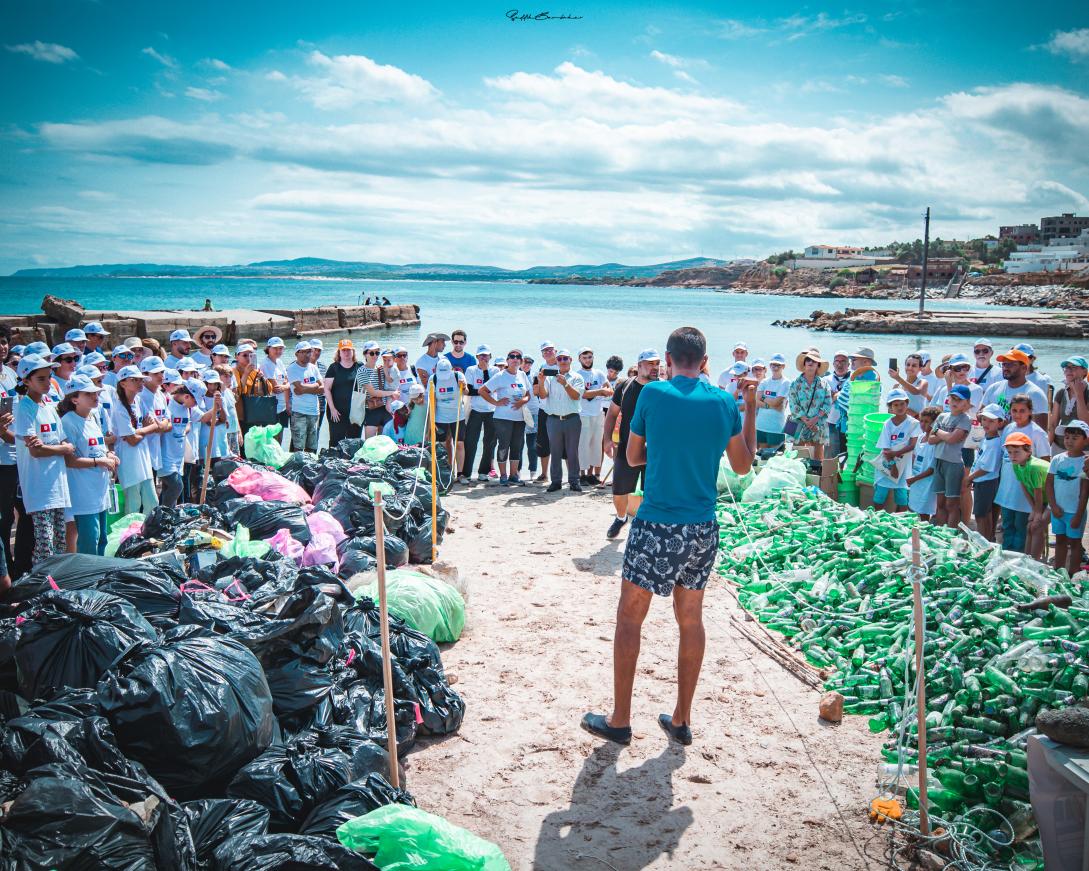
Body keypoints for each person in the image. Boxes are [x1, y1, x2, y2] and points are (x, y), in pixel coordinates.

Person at [582, 326, 756, 747]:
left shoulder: (653, 394)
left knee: (630, 617)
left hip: (658, 521)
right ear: (705, 361)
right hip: (702, 525)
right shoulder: (724, 401)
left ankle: (621, 719)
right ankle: (681, 719)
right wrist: (750, 407)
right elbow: (743, 465)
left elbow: (633, 455)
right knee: (691, 619)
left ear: (667, 358)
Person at [603, 349, 660, 539]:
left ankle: (644, 525)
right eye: (651, 363)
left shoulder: (663, 389)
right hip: (626, 446)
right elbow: (611, 414)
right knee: (619, 492)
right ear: (639, 365)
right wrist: (607, 440)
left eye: (657, 363)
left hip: (655, 450)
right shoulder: (624, 386)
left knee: (650, 492)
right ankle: (621, 518)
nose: (655, 367)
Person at [59, 374, 117, 554]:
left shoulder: (92, 417)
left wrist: (109, 454)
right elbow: (69, 460)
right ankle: (87, 579)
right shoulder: (68, 422)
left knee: (102, 539)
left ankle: (99, 576)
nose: (95, 396)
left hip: (99, 489)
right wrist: (99, 461)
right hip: (83, 493)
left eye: (96, 392)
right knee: (89, 540)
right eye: (88, 393)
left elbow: (99, 448)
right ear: (75, 399)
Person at [995, 394, 1051, 554]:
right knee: (1007, 526)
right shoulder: (1008, 428)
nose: (1017, 414)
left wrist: (1038, 506)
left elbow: (1045, 462)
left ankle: (1019, 560)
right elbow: (1003, 456)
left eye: (1022, 410)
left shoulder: (1038, 433)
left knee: (1022, 528)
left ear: (1030, 411)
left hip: (1028, 491)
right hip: (1008, 488)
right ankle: (1006, 557)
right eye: (1014, 410)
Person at [0, 339, 33, 578]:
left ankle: (21, 566)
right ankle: (6, 569)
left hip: (17, 456)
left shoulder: (10, 375)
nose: (2, 347)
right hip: (1, 461)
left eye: (3, 342)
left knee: (27, 512)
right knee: (4, 517)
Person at [112, 365, 158, 517]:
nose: (140, 383)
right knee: (133, 505)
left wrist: (140, 431)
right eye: (135, 380)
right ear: (123, 383)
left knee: (152, 502)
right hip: (129, 462)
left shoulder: (138, 401)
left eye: (140, 380)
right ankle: (129, 537)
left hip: (144, 460)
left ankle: (145, 533)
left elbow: (154, 424)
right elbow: (131, 440)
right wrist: (145, 429)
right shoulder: (119, 408)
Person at [537, 349, 585, 492]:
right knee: (555, 451)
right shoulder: (550, 378)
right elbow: (543, 395)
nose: (562, 361)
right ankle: (556, 482)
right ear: (556, 362)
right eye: (560, 359)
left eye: (565, 358)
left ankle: (574, 481)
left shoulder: (577, 377)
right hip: (553, 419)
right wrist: (540, 382)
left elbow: (576, 396)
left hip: (572, 418)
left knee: (572, 452)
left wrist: (565, 384)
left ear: (571, 360)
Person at [481, 350, 530, 485]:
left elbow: (528, 394)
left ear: (521, 361)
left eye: (518, 357)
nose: (515, 359)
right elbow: (482, 391)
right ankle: (503, 476)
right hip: (503, 418)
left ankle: (513, 475)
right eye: (512, 357)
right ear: (508, 360)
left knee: (517, 446)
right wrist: (496, 402)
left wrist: (523, 401)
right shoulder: (500, 376)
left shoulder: (522, 375)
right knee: (503, 446)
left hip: (519, 418)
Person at [1046, 420, 1089, 575]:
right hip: (1058, 511)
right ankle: (1059, 571)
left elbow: (1084, 492)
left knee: (1075, 543)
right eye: (1067, 437)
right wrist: (1053, 506)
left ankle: (1074, 573)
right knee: (1060, 541)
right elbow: (1049, 484)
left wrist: (1078, 514)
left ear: (1086, 440)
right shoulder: (1057, 459)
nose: (1069, 441)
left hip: (1074, 511)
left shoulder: (1085, 462)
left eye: (1075, 438)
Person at [927, 384, 972, 529]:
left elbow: (953, 439)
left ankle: (951, 533)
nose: (954, 402)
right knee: (940, 502)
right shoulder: (942, 416)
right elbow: (930, 439)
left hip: (953, 464)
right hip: (939, 461)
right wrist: (946, 435)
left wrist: (938, 432)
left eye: (958, 399)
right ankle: (941, 530)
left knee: (951, 503)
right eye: (952, 398)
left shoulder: (965, 419)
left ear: (966, 403)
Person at [873, 388, 919, 513]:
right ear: (890, 407)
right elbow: (886, 448)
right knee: (879, 497)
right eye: (895, 404)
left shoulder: (914, 423)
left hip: (904, 467)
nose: (899, 407)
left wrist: (896, 453)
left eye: (902, 404)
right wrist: (893, 466)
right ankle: (877, 521)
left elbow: (912, 445)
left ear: (907, 404)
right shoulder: (888, 424)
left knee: (902, 499)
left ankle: (901, 524)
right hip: (887, 464)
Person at [967, 404, 1007, 542]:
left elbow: (986, 468)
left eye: (991, 421)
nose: (986, 424)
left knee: (981, 515)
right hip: (982, 481)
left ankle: (984, 541)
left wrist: (970, 477)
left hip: (986, 481)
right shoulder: (987, 438)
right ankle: (988, 539)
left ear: (1000, 422)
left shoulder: (995, 442)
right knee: (985, 513)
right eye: (984, 419)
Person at [983, 348, 1049, 431]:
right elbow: (979, 415)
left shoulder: (1035, 394)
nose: (1005, 368)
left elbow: (1041, 431)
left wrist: (1007, 425)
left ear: (1024, 368)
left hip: (1020, 443)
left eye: (1010, 364)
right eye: (1004, 364)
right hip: (992, 442)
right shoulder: (993, 388)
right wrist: (994, 421)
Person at [1008, 432, 1050, 560]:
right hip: (1043, 500)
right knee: (1029, 527)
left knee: (1037, 526)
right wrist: (1034, 509)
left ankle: (1034, 563)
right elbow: (1025, 487)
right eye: (1010, 452)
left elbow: (1037, 491)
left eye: (1017, 452)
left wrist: (1037, 512)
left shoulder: (1034, 467)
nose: (1012, 456)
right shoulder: (1016, 465)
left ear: (1028, 451)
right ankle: (1027, 560)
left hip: (1055, 499)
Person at [786, 349, 831, 457]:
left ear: (818, 365)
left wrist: (815, 418)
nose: (810, 362)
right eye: (808, 360)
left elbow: (828, 403)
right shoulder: (794, 383)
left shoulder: (824, 384)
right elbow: (792, 404)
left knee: (817, 459)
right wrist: (805, 419)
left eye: (814, 361)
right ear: (804, 363)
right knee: (796, 457)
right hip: (797, 422)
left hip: (818, 423)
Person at [463, 346, 498, 484]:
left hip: (491, 411)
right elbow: (469, 390)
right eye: (481, 356)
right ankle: (466, 473)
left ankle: (483, 472)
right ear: (477, 357)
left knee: (489, 443)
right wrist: (483, 390)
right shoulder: (471, 370)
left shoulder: (495, 370)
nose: (484, 358)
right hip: (476, 410)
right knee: (470, 442)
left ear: (490, 356)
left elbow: (491, 388)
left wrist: (485, 372)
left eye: (486, 355)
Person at [576, 347, 610, 485]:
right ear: (579, 359)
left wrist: (598, 392)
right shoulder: (577, 374)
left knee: (595, 445)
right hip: (583, 414)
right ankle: (582, 474)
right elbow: (582, 394)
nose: (588, 360)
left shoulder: (599, 373)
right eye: (584, 357)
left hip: (598, 413)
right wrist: (600, 391)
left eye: (590, 357)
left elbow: (610, 390)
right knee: (583, 445)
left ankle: (591, 475)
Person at [160, 375, 195, 508]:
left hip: (178, 455)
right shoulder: (167, 403)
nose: (195, 405)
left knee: (168, 490)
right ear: (186, 396)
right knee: (177, 486)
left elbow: (188, 425)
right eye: (195, 401)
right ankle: (165, 515)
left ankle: (166, 517)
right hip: (165, 454)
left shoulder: (186, 407)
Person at [431, 357, 468, 478]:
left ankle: (460, 473)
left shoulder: (458, 376)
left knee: (459, 444)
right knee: (443, 444)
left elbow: (466, 392)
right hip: (440, 417)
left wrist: (463, 386)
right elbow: (433, 402)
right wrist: (432, 421)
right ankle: (446, 471)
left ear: (451, 369)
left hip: (458, 415)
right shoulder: (434, 379)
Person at [138, 356, 172, 482]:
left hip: (157, 449)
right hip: (143, 450)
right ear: (145, 374)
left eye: (162, 372)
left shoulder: (160, 394)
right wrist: (161, 426)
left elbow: (167, 423)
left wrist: (160, 426)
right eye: (156, 373)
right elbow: (153, 424)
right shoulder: (140, 396)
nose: (160, 376)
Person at [323, 339, 361, 448]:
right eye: (343, 350)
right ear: (339, 352)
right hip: (337, 413)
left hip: (355, 412)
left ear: (353, 351)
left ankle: (352, 465)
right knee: (336, 442)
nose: (346, 353)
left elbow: (367, 385)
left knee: (354, 442)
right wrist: (333, 409)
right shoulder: (333, 368)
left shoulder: (359, 366)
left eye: (349, 350)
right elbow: (327, 389)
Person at [286, 340, 322, 453]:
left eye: (309, 352)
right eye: (304, 352)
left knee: (312, 446)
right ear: (297, 353)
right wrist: (315, 386)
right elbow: (299, 388)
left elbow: (322, 388)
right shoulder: (292, 368)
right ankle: (297, 468)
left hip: (314, 411)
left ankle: (310, 468)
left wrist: (308, 388)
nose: (307, 354)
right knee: (298, 446)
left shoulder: (313, 368)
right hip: (299, 412)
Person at [354, 342, 396, 438]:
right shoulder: (361, 371)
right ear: (365, 354)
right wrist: (392, 393)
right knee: (370, 445)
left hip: (385, 409)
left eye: (377, 353)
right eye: (371, 353)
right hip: (370, 410)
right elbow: (372, 392)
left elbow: (393, 382)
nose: (375, 356)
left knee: (386, 445)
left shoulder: (381, 369)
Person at [1049, 355, 1089, 454]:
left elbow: (1086, 422)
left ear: (1085, 371)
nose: (1069, 370)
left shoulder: (1087, 393)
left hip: (1083, 450)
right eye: (1066, 368)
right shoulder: (1061, 393)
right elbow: (1053, 424)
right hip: (1059, 446)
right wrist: (1045, 450)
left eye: (1074, 367)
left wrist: (1079, 394)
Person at [532, 341, 560, 484]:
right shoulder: (541, 368)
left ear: (555, 351)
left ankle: (570, 476)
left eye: (550, 349)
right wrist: (539, 383)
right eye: (545, 351)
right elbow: (536, 391)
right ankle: (544, 474)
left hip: (561, 409)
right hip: (544, 409)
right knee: (543, 443)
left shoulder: (563, 365)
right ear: (542, 355)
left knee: (565, 443)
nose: (548, 352)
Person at [906, 405, 940, 521]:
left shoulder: (934, 442)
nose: (923, 424)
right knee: (912, 509)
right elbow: (914, 456)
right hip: (915, 479)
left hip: (927, 483)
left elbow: (931, 469)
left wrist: (914, 479)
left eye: (927, 422)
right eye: (921, 421)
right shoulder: (920, 437)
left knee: (924, 512)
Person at [754, 353, 791, 448]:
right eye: (773, 364)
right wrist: (770, 405)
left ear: (783, 366)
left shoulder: (785, 382)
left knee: (776, 458)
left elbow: (776, 403)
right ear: (770, 366)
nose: (775, 367)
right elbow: (757, 400)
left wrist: (763, 397)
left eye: (778, 365)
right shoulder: (764, 381)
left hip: (776, 427)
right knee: (761, 457)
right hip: (761, 425)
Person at [260, 337, 291, 434]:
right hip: (271, 407)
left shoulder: (279, 362)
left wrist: (287, 404)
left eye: (280, 348)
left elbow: (287, 381)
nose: (278, 351)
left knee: (280, 435)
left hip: (282, 406)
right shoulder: (266, 364)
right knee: (272, 437)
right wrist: (287, 386)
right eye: (275, 348)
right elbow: (276, 389)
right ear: (268, 349)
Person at [824, 350, 851, 457]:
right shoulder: (826, 379)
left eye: (843, 361)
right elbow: (824, 399)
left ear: (848, 364)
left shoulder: (853, 379)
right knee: (830, 454)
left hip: (848, 423)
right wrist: (835, 396)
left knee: (846, 453)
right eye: (837, 361)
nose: (840, 364)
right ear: (833, 363)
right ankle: (828, 473)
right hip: (831, 422)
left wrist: (836, 395)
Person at [522, 355, 540, 479]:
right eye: (525, 362)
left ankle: (533, 471)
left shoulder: (535, 377)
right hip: (518, 412)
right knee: (517, 445)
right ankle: (516, 472)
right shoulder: (515, 375)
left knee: (532, 446)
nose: (527, 364)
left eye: (530, 363)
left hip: (534, 412)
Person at [309, 339, 327, 429]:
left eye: (319, 350)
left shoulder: (323, 367)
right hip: (303, 408)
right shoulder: (299, 365)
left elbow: (326, 388)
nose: (316, 352)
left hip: (320, 407)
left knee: (316, 435)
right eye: (314, 349)